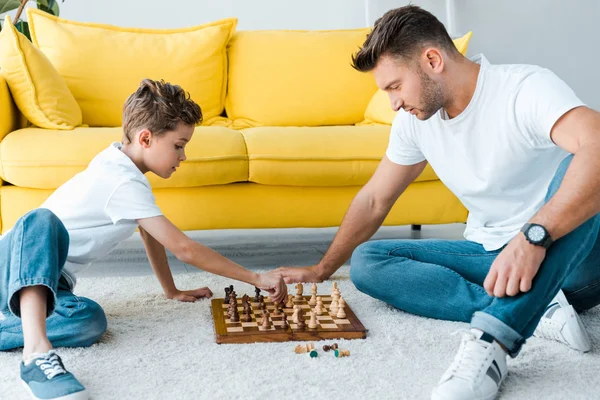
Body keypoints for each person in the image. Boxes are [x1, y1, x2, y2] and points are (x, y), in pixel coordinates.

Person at [276, 5, 600, 400]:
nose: (393, 103)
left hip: (570, 258)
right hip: (493, 258)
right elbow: (376, 199)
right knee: (368, 261)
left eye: (395, 86)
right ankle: (540, 308)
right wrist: (322, 268)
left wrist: (533, 237)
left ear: (432, 60)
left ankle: (493, 339)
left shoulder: (524, 87)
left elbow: (596, 147)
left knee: (582, 165)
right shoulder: (414, 122)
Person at [0, 79, 288, 400]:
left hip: (52, 286)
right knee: (41, 220)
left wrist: (171, 290)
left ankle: (22, 324)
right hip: (14, 265)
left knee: (89, 321)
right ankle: (37, 355)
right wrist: (256, 277)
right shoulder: (120, 179)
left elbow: (150, 233)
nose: (183, 156)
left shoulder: (122, 166)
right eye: (179, 145)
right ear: (146, 138)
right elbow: (184, 248)